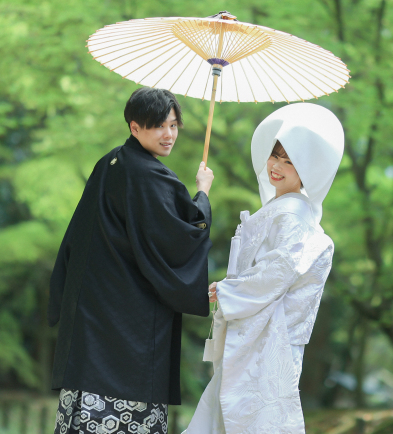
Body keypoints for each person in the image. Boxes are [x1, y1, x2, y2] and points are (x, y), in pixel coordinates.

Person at [49, 87, 214, 434]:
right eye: (158, 127)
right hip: (129, 320)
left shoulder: (109, 162)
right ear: (135, 127)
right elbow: (182, 237)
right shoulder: (149, 175)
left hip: (93, 310)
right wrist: (203, 194)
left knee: (83, 406)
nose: (169, 135)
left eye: (173, 125)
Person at [183, 103, 344, 434]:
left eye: (290, 161)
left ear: (307, 171)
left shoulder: (292, 215)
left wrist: (229, 291)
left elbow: (279, 271)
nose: (277, 166)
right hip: (258, 333)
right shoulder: (283, 209)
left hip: (269, 338)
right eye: (276, 156)